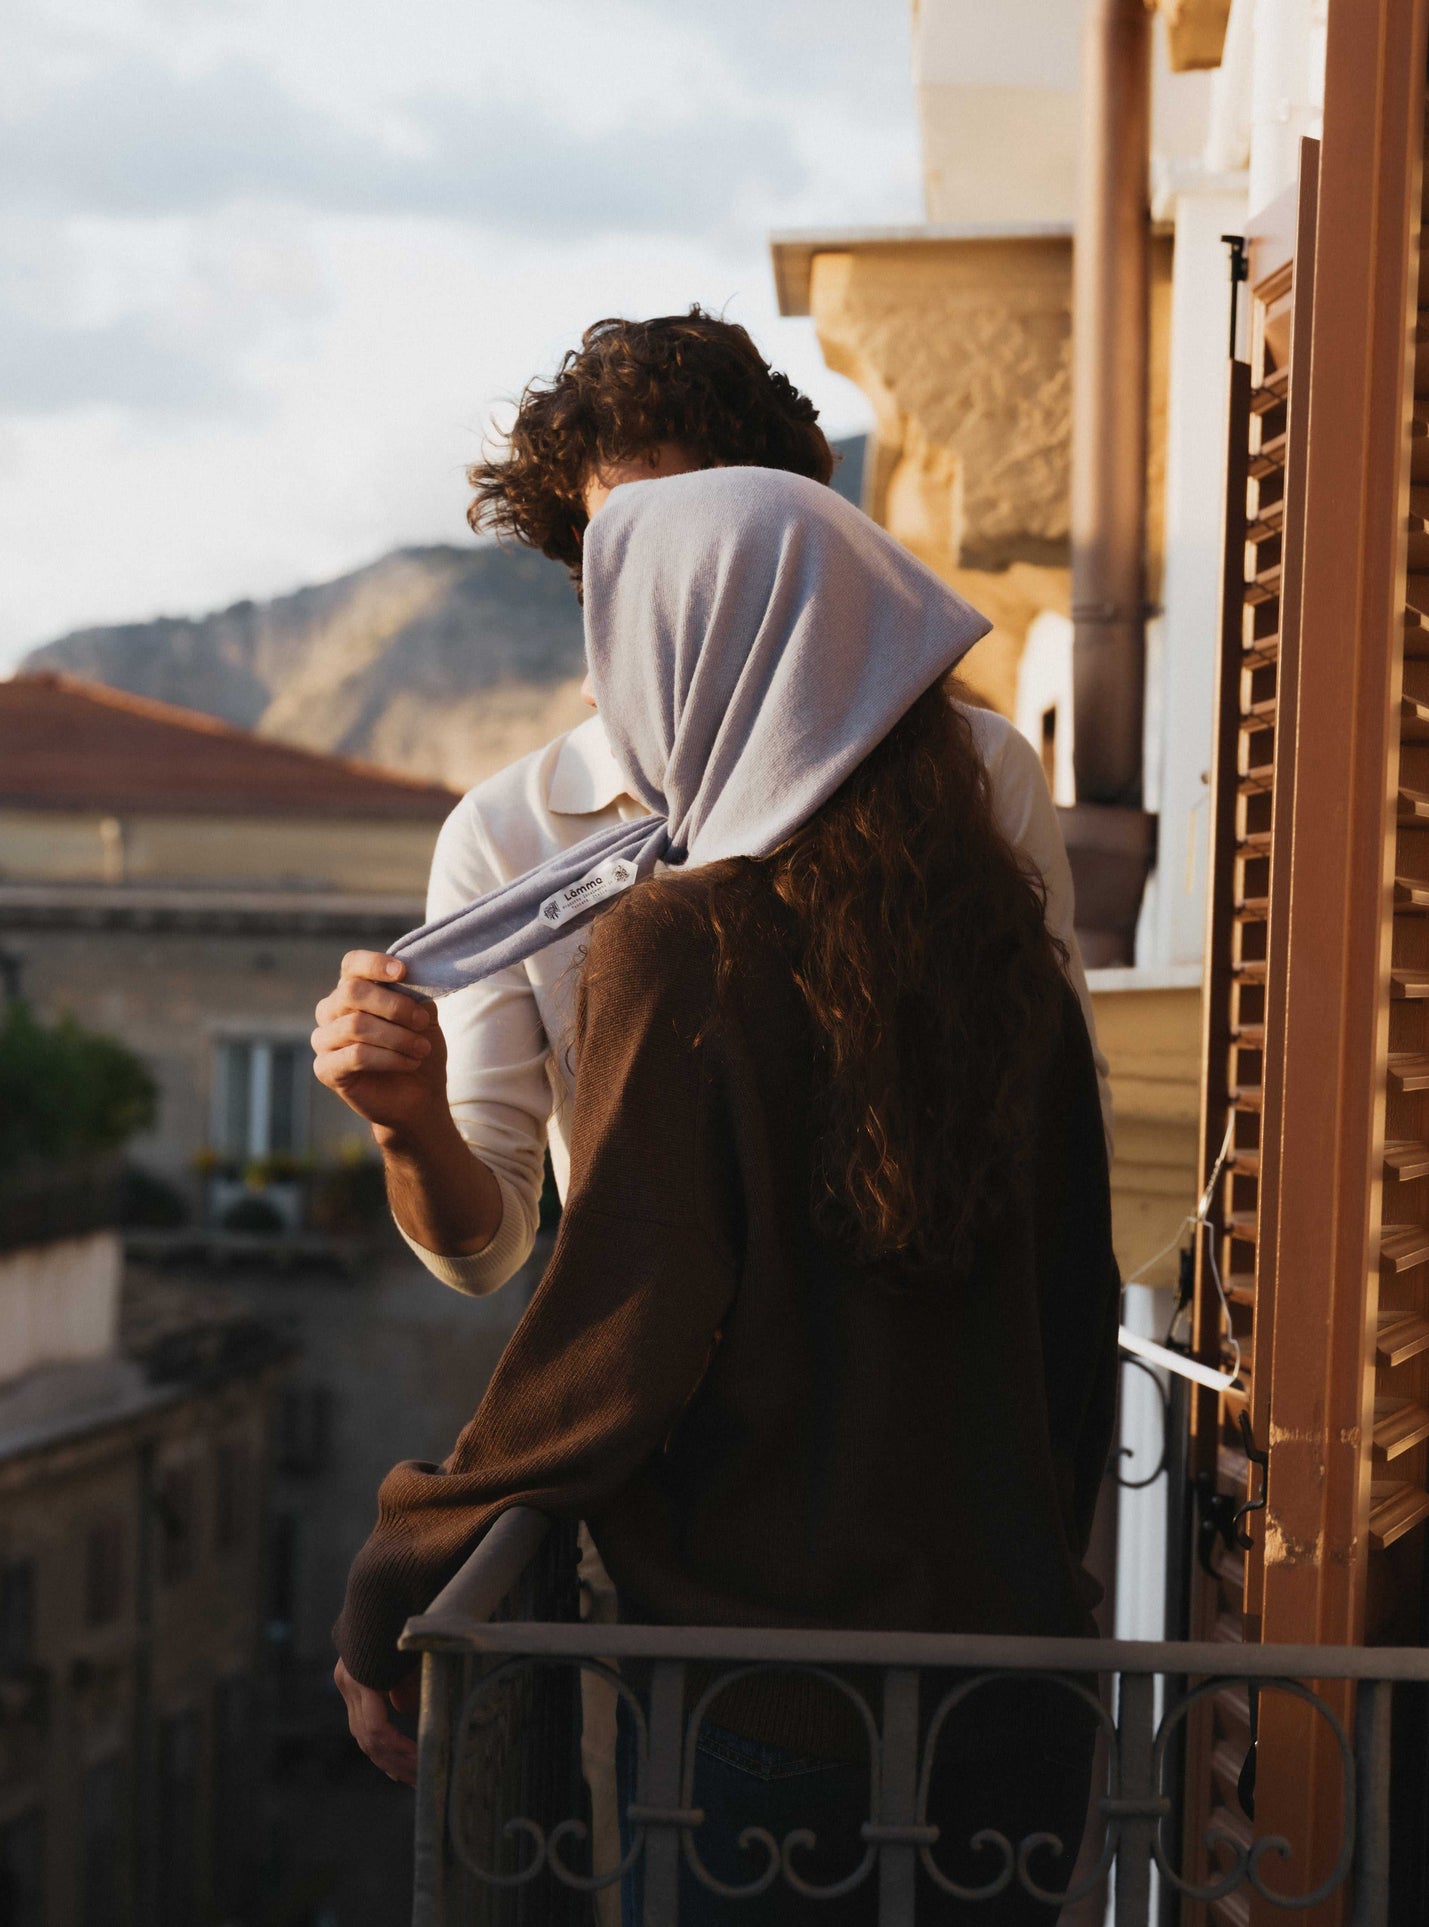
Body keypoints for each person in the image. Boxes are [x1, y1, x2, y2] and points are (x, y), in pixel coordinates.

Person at [331, 469, 1120, 1924]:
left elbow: (617, 1322)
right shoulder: (1008, 947)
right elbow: (1080, 1320)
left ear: (704, 667)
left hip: (773, 1718)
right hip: (1014, 1705)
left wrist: (406, 1554)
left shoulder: (675, 945)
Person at [310, 310, 1111, 1308]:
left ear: (786, 541)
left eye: (698, 526)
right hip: (668, 1406)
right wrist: (409, 1125)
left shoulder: (975, 773)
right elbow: (485, 1250)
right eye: (623, 542)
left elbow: (1064, 1127)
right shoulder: (513, 834)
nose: (661, 567)